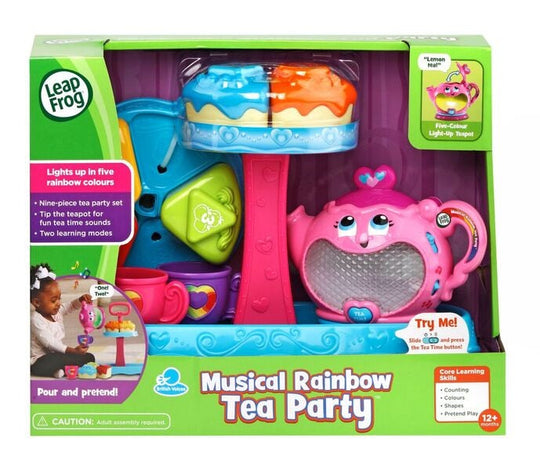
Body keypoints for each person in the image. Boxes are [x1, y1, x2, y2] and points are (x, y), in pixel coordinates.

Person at [30, 264, 95, 378]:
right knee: (51, 361)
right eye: (53, 300)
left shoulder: (56, 312)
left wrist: (80, 300)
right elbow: (50, 343)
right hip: (40, 360)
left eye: (59, 298)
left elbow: (70, 306)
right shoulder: (35, 320)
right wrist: (72, 351)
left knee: (89, 357)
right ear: (37, 302)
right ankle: (61, 369)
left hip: (58, 354)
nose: (58, 303)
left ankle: (61, 370)